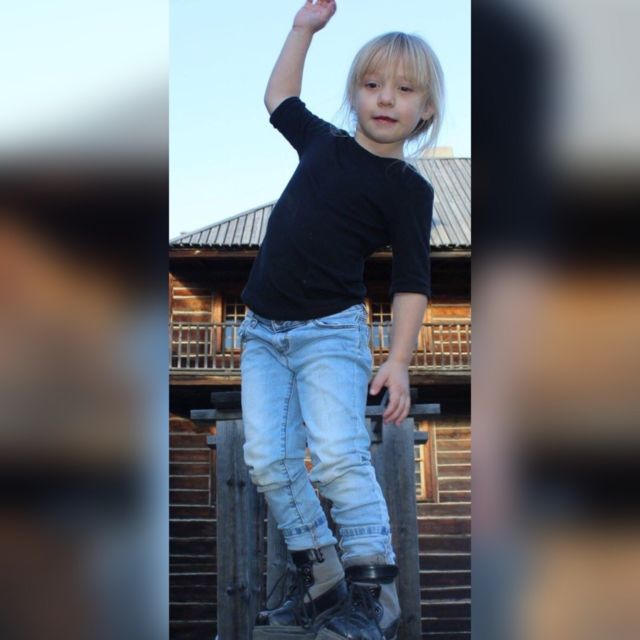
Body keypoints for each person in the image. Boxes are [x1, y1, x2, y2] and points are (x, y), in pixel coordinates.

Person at [237, 1, 444, 638]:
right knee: (267, 459)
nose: (386, 98)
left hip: (330, 332)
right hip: (261, 332)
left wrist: (399, 361)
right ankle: (324, 582)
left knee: (336, 458)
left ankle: (374, 595)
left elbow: (412, 280)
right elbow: (278, 98)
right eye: (372, 84)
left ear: (425, 110)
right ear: (354, 94)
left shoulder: (408, 189)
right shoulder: (322, 142)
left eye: (404, 90)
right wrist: (303, 29)